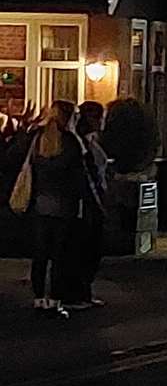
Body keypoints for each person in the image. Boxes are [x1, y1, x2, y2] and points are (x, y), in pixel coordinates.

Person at [24, 100, 90, 317]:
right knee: (60, 256)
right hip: (64, 206)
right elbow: (80, 178)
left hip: (40, 205)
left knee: (40, 255)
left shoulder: (39, 140)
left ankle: (38, 298)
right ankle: (55, 300)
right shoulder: (70, 142)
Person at [63, 101, 109, 310]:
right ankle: (76, 294)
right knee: (84, 250)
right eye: (99, 117)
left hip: (91, 203)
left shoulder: (89, 141)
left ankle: (82, 292)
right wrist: (97, 203)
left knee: (90, 250)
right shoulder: (77, 143)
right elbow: (86, 177)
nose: (102, 122)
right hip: (86, 206)